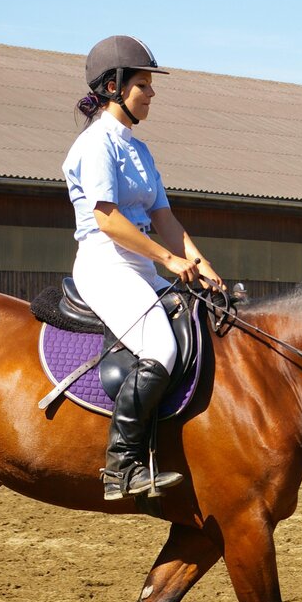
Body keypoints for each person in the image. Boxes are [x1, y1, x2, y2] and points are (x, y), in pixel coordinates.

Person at [63, 35, 225, 500]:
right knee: (160, 347)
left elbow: (164, 219)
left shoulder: (139, 150)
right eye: (143, 84)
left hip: (140, 266)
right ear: (113, 87)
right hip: (105, 265)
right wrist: (169, 260)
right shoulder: (95, 145)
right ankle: (122, 467)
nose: (151, 93)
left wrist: (202, 264)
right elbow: (107, 218)